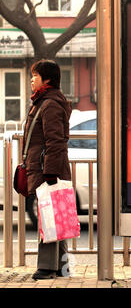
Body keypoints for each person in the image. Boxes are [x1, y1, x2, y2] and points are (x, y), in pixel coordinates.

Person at [24, 59, 72, 280]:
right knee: (54, 217)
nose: (31, 79)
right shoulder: (44, 101)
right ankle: (62, 266)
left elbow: (55, 141)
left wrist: (50, 173)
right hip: (46, 168)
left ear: (47, 80)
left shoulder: (49, 104)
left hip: (47, 170)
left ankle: (46, 268)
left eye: (35, 76)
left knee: (49, 218)